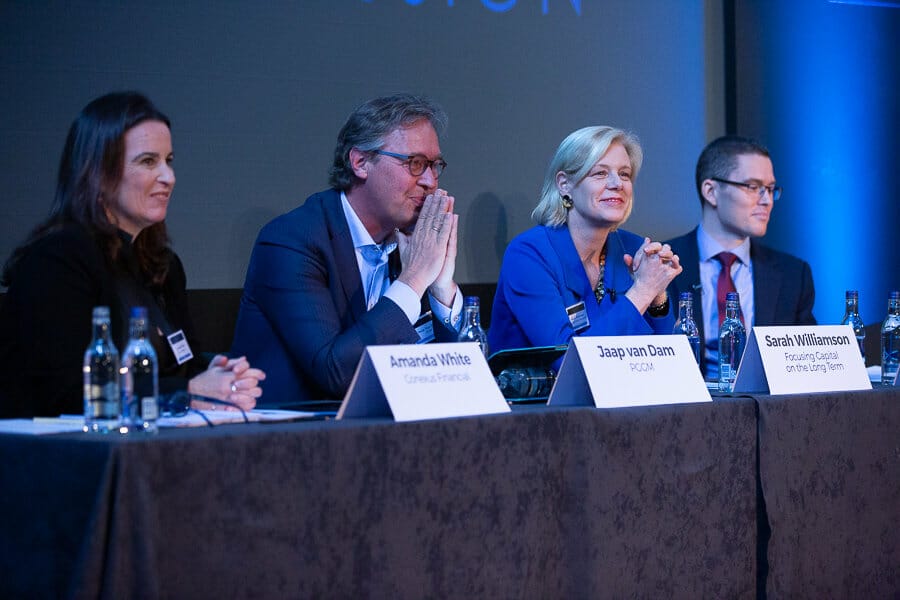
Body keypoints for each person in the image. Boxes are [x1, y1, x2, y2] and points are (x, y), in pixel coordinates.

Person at [0, 92, 265, 419]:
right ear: (99, 172)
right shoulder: (58, 260)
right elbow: (64, 392)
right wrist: (188, 393)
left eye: (169, 161)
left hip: (156, 439)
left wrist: (221, 377)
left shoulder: (165, 267)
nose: (168, 177)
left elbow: (185, 365)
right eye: (148, 161)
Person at [231, 93, 463, 404]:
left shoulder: (409, 242)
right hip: (294, 427)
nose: (430, 181)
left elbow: (458, 382)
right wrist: (414, 279)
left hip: (384, 425)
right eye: (415, 163)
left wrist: (441, 287)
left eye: (435, 166)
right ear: (360, 162)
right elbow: (335, 373)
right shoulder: (291, 241)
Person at [488, 126, 681, 358]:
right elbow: (567, 360)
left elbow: (670, 360)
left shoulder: (634, 248)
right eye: (600, 173)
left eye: (624, 174)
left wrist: (657, 297)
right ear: (564, 184)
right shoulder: (528, 255)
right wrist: (643, 290)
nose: (617, 184)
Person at [665, 135, 816, 379]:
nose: (766, 200)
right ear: (711, 191)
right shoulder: (661, 263)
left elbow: (808, 369)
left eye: (770, 189)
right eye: (753, 187)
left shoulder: (793, 275)